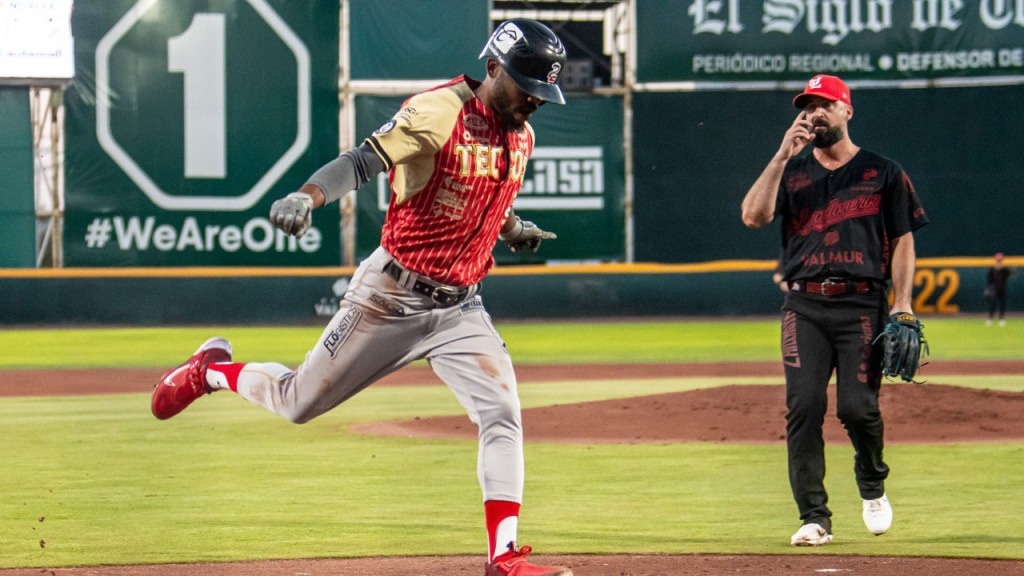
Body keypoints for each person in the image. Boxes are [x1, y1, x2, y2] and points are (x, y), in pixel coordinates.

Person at [151, 19, 573, 576]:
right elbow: (361, 162)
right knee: (299, 402)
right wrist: (308, 195)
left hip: (461, 308)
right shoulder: (437, 113)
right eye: (528, 85)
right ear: (493, 68)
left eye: (544, 90)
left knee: (502, 413)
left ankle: (504, 558)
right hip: (391, 298)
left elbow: (480, 194)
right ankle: (210, 371)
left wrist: (511, 227)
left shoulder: (521, 133)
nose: (535, 101)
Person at [740, 74, 929, 546]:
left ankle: (871, 481)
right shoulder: (794, 172)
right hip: (803, 304)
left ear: (847, 110)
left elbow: (904, 238)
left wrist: (902, 305)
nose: (814, 112)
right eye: (808, 105)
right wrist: (782, 155)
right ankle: (814, 517)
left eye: (825, 104)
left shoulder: (884, 172)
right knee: (803, 406)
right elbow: (753, 216)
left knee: (857, 408)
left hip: (863, 302)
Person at [985, 252, 1012, 326]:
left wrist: (1011, 270)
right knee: (993, 305)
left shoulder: (1005, 270)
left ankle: (1001, 319)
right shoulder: (992, 269)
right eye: (998, 260)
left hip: (1002, 289)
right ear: (995, 260)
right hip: (994, 289)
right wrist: (988, 289)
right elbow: (989, 281)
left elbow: (1012, 275)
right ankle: (990, 319)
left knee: (1002, 305)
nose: (999, 261)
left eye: (1000, 260)